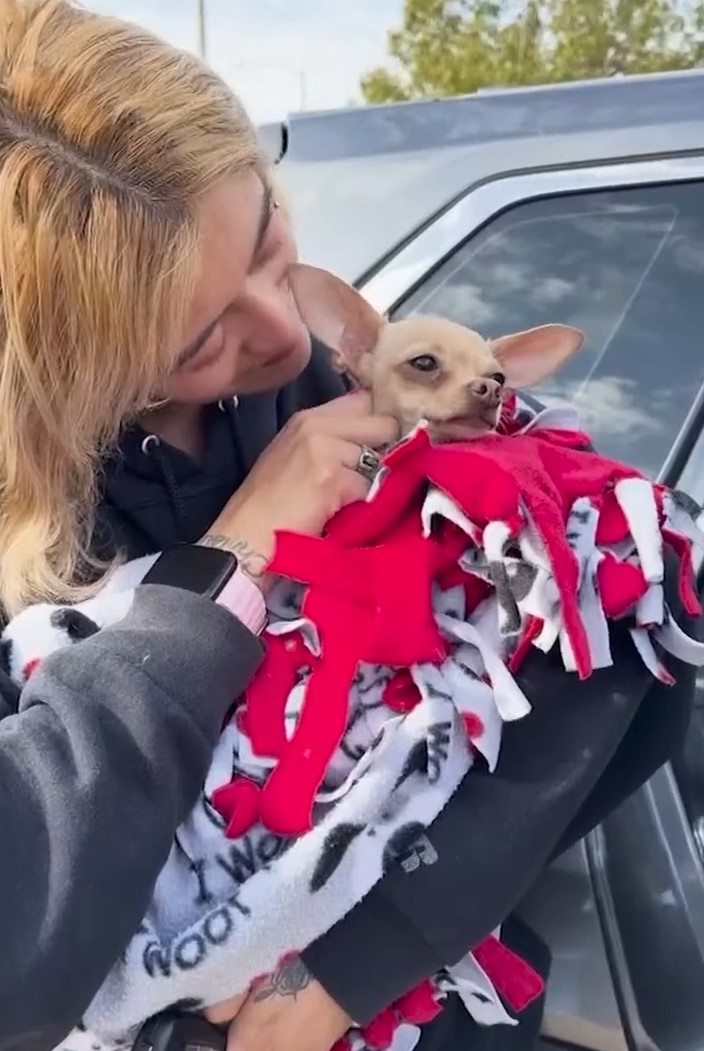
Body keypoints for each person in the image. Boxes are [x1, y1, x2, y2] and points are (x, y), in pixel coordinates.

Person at [0, 2, 695, 1051]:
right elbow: (28, 922)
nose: (282, 333)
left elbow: (612, 646)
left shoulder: (347, 395)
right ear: (67, 376)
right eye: (201, 342)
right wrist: (229, 561)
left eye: (273, 248)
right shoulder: (40, 534)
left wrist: (346, 969)